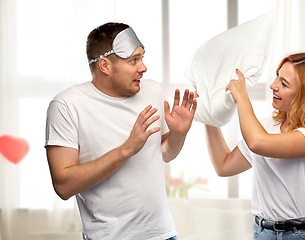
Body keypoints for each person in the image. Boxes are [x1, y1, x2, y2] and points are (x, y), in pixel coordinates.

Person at [45, 22, 196, 240]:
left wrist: (178, 135)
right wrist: (126, 149)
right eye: (133, 60)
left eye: (142, 58)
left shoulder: (151, 91)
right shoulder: (67, 105)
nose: (143, 67)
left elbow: (163, 153)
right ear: (105, 66)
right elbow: (63, 185)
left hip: (162, 234)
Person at [204, 52, 305, 240]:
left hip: (304, 234)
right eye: (277, 76)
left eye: (284, 83)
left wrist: (242, 97)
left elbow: (257, 143)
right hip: (263, 233)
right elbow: (223, 165)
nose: (273, 85)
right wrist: (207, 114)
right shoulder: (267, 126)